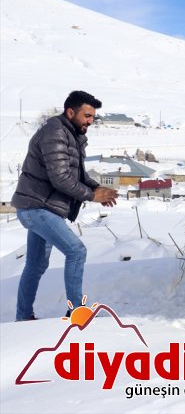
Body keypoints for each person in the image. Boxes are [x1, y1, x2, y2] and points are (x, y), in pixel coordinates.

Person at [13, 90, 119, 321]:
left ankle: (23, 317)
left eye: (93, 117)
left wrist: (97, 188)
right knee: (76, 251)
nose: (91, 121)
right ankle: (77, 313)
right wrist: (92, 196)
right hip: (36, 208)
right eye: (87, 115)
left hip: (42, 208)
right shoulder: (55, 133)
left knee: (36, 265)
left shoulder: (71, 135)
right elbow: (60, 178)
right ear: (70, 112)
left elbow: (77, 175)